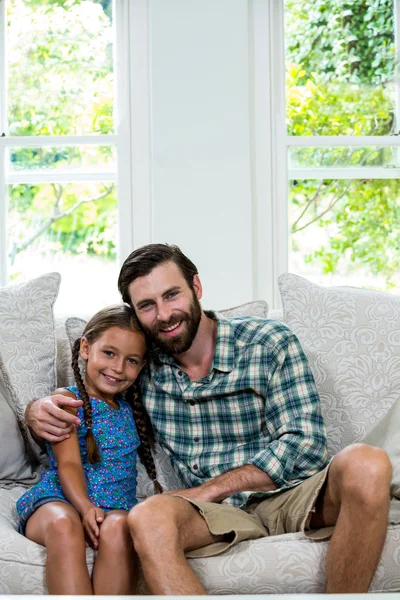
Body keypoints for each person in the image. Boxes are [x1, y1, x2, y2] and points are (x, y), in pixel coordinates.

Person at [26, 244, 393, 595]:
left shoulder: (268, 342)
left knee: (369, 463)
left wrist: (212, 488)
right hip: (211, 515)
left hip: (292, 494)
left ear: (196, 286)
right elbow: (94, 387)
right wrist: (36, 409)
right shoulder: (141, 363)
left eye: (172, 295)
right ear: (136, 313)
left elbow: (307, 445)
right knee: (147, 517)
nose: (165, 314)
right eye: (147, 305)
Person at [18, 305, 160, 595]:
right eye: (109, 353)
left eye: (131, 360)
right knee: (63, 524)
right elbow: (69, 464)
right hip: (59, 500)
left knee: (120, 526)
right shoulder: (66, 402)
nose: (118, 368)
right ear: (85, 347)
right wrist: (84, 508)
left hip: (115, 506)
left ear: (141, 366)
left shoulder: (130, 411)